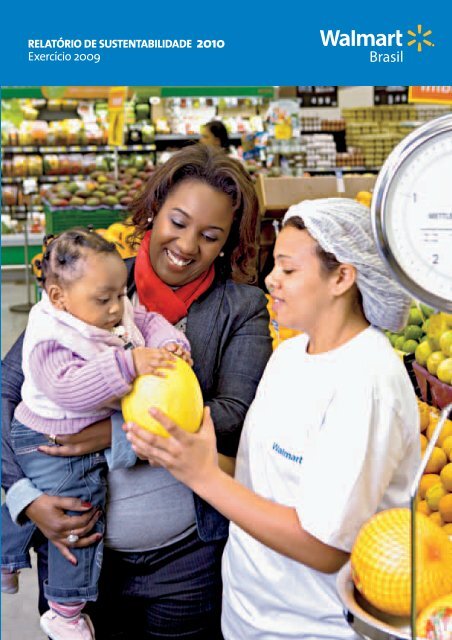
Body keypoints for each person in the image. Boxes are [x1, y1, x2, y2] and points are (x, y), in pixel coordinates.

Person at [1, 144, 273, 640]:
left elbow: (234, 412)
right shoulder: (92, 277)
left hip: (185, 561)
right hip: (75, 557)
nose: (188, 246)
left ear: (228, 242)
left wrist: (114, 434)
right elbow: (6, 392)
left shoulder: (242, 307)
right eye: (179, 221)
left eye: (210, 236)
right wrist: (24, 497)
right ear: (154, 208)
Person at [124, 198, 421, 640]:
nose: (270, 280)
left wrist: (203, 477)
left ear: (341, 277)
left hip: (312, 628)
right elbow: (257, 481)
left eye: (288, 269)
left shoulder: (368, 380)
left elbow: (325, 547)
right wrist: (186, 458)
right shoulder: (289, 356)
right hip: (247, 615)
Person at [2, 227, 191, 640]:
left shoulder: (111, 308)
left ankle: (6, 552)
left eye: (120, 295)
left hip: (69, 441)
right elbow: (71, 389)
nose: (115, 309)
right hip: (46, 438)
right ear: (58, 298)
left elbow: (145, 321)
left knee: (60, 505)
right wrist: (128, 365)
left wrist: (170, 344)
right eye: (103, 300)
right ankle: (65, 611)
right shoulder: (50, 336)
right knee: (80, 518)